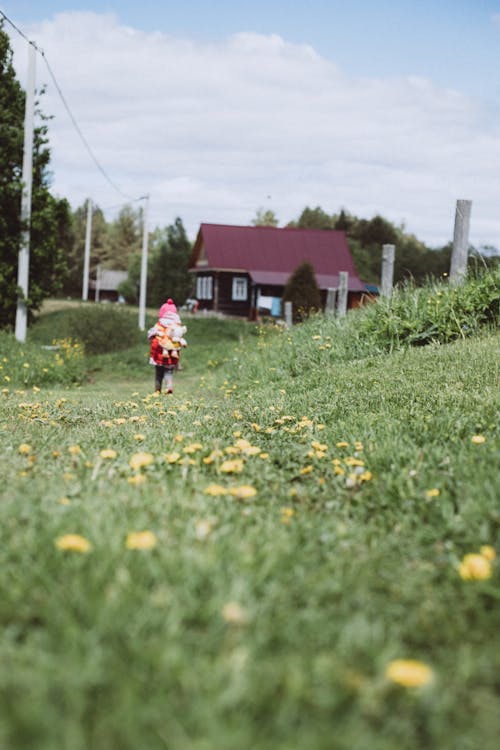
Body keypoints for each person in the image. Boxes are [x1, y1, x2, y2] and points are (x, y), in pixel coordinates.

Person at [148, 298, 187, 394]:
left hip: (159, 356)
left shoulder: (159, 325)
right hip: (171, 356)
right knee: (168, 372)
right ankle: (169, 386)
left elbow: (150, 335)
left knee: (158, 374)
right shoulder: (177, 326)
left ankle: (157, 391)